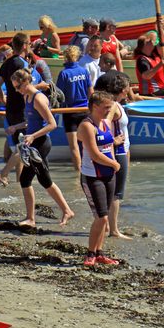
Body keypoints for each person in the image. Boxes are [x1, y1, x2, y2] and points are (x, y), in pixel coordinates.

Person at [8, 69, 75, 228]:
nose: (17, 91)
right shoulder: (27, 97)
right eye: (15, 88)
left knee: (26, 179)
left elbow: (52, 124)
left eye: (18, 87)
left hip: (41, 143)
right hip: (33, 143)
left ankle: (32, 218)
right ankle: (66, 210)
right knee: (43, 180)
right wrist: (16, 127)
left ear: (25, 82)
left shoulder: (39, 98)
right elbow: (31, 122)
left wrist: (32, 136)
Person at [78, 91, 123, 267]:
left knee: (104, 215)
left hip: (108, 175)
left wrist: (113, 166)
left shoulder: (104, 123)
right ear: (95, 106)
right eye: (106, 107)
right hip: (92, 176)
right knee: (101, 217)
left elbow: (109, 145)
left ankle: (100, 252)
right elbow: (95, 154)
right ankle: (90, 253)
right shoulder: (86, 126)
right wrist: (114, 164)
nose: (108, 111)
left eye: (109, 107)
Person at [0, 32, 34, 186]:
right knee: (24, 146)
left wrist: (4, 100)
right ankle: (4, 174)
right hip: (23, 108)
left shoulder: (7, 62)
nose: (30, 46)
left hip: (11, 108)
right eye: (29, 44)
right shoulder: (22, 64)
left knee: (19, 145)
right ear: (24, 45)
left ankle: (19, 181)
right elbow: (28, 87)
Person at [97, 72, 132, 239]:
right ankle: (114, 230)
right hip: (117, 152)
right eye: (127, 87)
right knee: (116, 193)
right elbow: (104, 124)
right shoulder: (114, 106)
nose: (129, 90)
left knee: (112, 192)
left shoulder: (116, 104)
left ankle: (107, 227)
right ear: (121, 89)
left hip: (120, 151)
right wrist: (113, 141)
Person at [55, 46, 93, 171]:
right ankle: (90, 169)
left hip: (70, 112)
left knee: (74, 146)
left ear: (66, 57)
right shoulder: (84, 71)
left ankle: (78, 174)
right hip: (84, 111)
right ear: (77, 56)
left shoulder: (64, 74)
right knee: (88, 143)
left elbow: (59, 95)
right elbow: (90, 92)